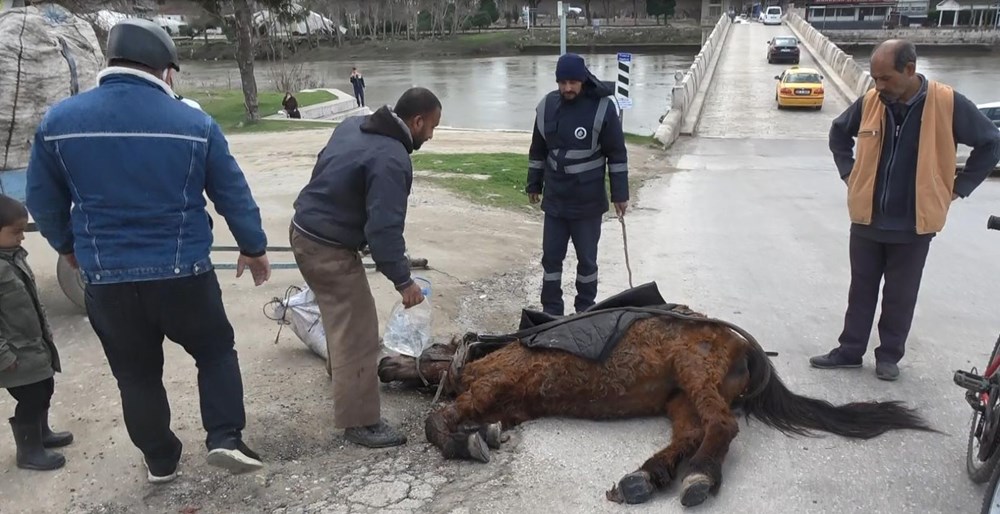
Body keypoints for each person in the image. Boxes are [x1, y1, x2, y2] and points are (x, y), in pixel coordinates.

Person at [24, 18, 272, 482]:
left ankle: (160, 459)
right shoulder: (195, 123)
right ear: (166, 71)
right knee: (215, 350)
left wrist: (67, 247)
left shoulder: (59, 122)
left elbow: (43, 198)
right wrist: (253, 247)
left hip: (108, 281)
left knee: (136, 374)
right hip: (185, 276)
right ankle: (224, 437)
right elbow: (231, 192)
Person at [811, 39, 1000, 381]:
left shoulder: (947, 103)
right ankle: (850, 350)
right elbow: (839, 133)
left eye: (885, 78)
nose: (879, 86)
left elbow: (991, 142)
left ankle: (888, 357)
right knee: (861, 290)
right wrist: (848, 173)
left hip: (914, 226)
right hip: (867, 220)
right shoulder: (871, 101)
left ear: (909, 69)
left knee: (900, 296)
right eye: (874, 78)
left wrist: (958, 188)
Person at [289, 87, 441, 448]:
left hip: (303, 230)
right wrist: (404, 281)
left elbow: (325, 168)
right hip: (328, 248)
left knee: (339, 317)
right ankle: (360, 422)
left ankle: (343, 378)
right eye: (432, 126)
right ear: (416, 121)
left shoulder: (353, 125)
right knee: (358, 329)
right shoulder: (393, 159)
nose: (432, 135)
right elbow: (384, 230)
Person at [526, 53, 629, 316]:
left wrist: (620, 194)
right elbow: (537, 151)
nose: (567, 88)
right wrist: (533, 184)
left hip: (588, 203)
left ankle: (585, 309)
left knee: (587, 261)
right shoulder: (546, 106)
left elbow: (616, 155)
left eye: (572, 82)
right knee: (551, 260)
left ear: (583, 80)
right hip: (556, 202)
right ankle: (551, 311)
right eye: (562, 82)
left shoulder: (603, 108)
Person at [0, 195, 74, 472]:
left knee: (44, 389)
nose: (22, 237)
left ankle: (42, 434)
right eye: (15, 232)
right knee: (30, 398)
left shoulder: (14, 258)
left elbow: (31, 299)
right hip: (14, 354)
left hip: (33, 346)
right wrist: (4, 356)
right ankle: (29, 451)